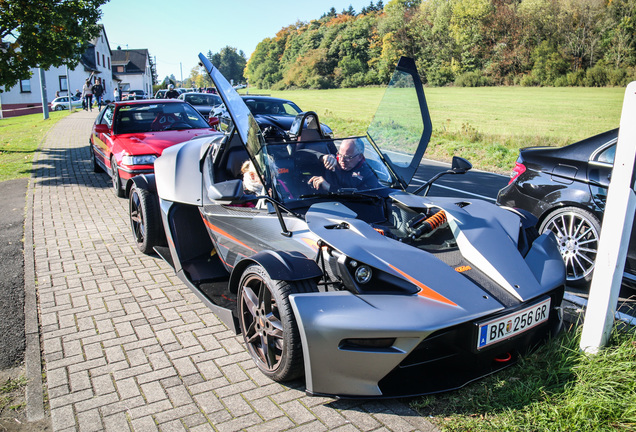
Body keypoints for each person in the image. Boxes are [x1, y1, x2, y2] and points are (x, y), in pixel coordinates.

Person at [308, 138, 380, 192]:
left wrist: (330, 188)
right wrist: (321, 157)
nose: (342, 160)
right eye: (340, 155)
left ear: (360, 157)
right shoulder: (332, 161)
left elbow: (360, 197)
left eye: (348, 157)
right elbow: (299, 156)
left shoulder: (369, 175)